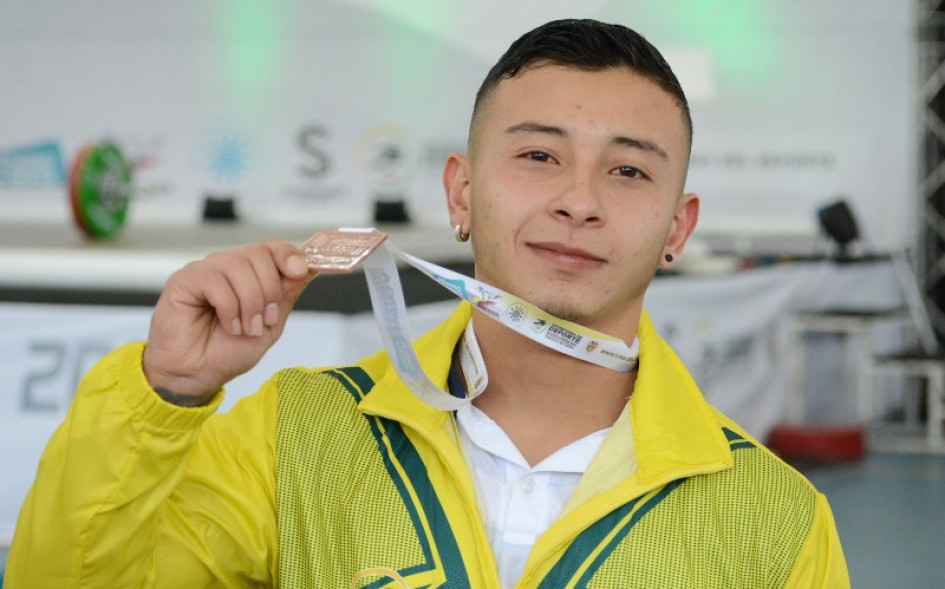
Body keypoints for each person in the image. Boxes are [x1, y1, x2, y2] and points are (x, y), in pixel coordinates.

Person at [6, 18, 849, 588]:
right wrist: (165, 396)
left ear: (678, 225)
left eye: (628, 170)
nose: (579, 201)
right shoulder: (293, 435)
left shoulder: (773, 520)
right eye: (538, 156)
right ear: (461, 191)